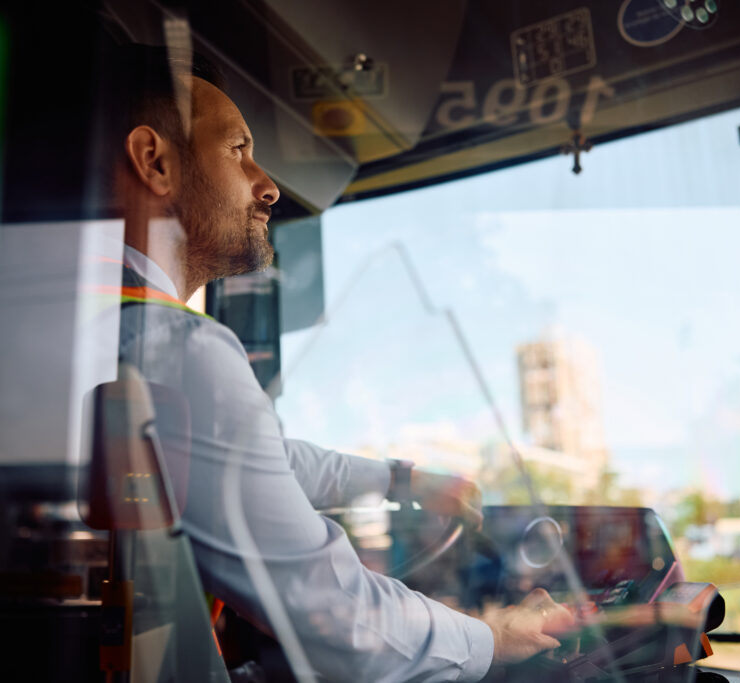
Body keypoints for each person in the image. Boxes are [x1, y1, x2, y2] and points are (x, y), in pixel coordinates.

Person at [90, 46, 574, 681]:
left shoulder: (97, 325)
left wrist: (402, 481)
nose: (267, 187)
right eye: (238, 151)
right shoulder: (179, 348)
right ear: (155, 162)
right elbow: (332, 616)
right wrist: (490, 637)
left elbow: (257, 459)